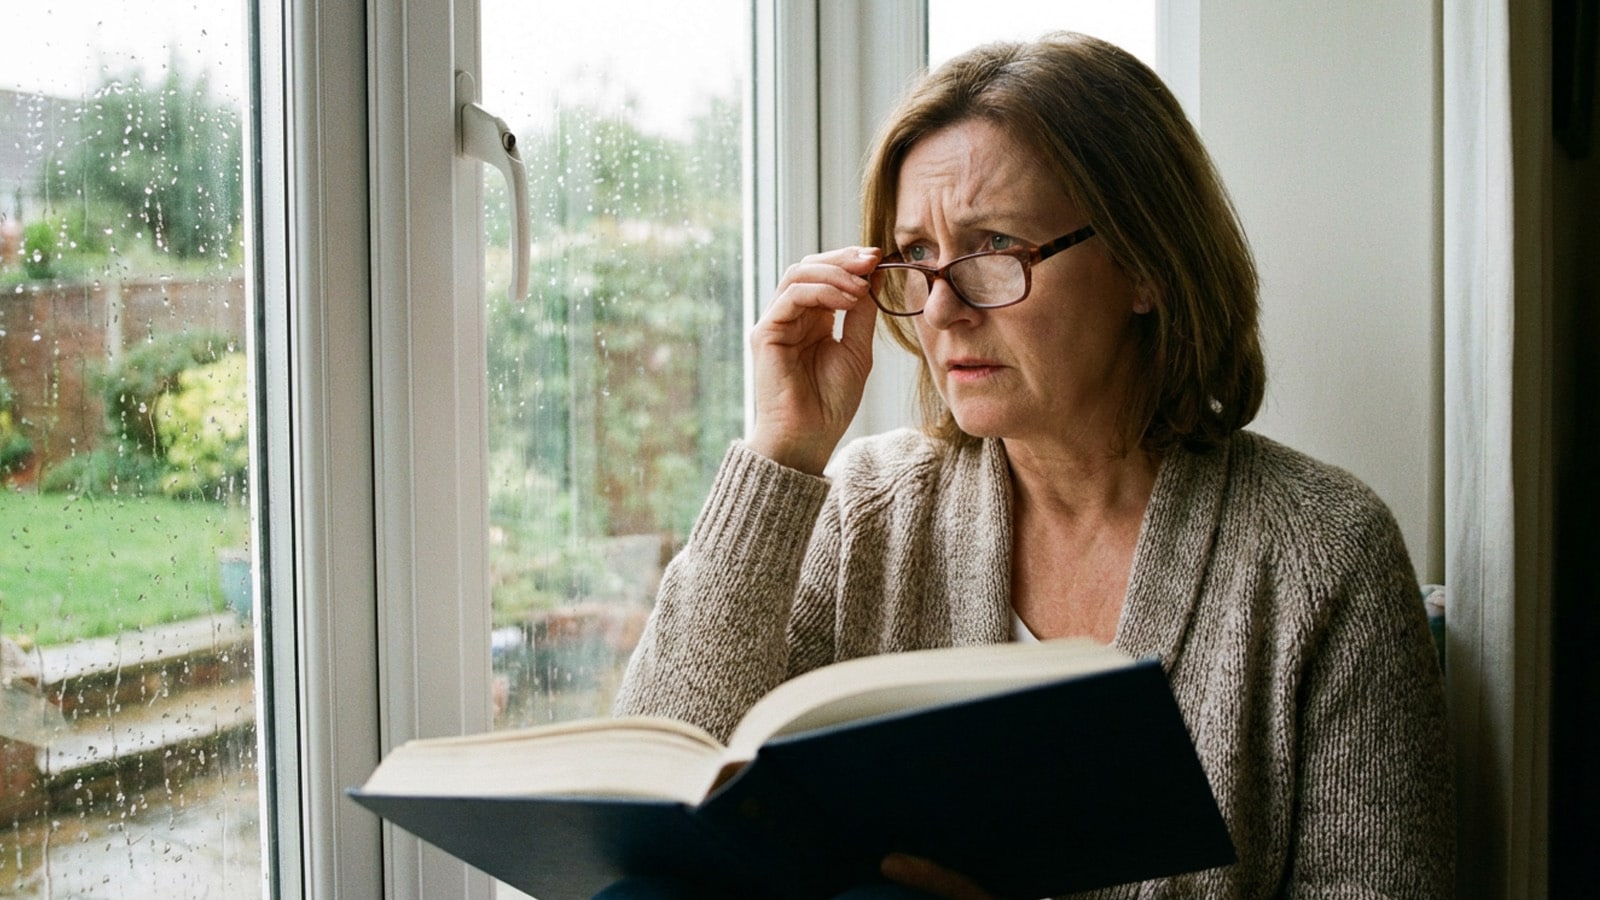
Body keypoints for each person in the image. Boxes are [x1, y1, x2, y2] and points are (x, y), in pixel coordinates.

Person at [611, 31, 1453, 899]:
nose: (942, 310)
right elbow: (644, 807)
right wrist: (781, 452)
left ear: (1146, 265)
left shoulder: (1324, 554)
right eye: (917, 261)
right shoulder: (867, 510)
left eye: (993, 250)